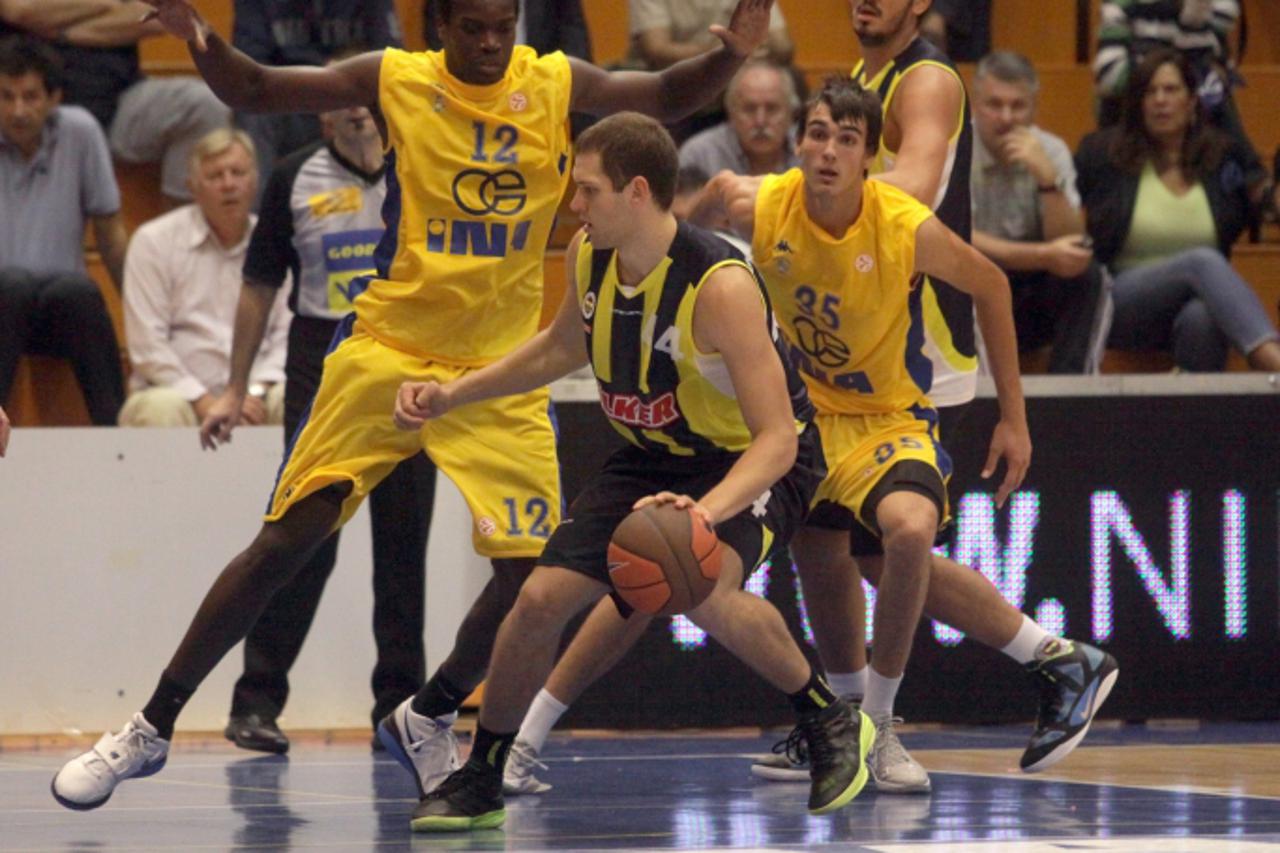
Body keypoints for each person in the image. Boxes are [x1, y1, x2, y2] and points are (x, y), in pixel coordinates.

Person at [50, 0, 786, 826]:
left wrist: (731, 53)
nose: (490, 42)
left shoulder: (550, 80)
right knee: (290, 536)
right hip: (390, 347)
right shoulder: (394, 78)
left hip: (499, 367)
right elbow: (255, 86)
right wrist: (197, 39)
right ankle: (150, 726)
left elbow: (657, 94)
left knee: (533, 584)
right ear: (437, 27)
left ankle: (429, 711)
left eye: (502, 25)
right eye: (472, 27)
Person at [500, 0, 1118, 798]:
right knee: (813, 551)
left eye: (847, 142)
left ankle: (879, 724)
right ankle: (886, 703)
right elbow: (670, 235)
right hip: (808, 405)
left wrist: (1014, 414)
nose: (829, 151)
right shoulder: (826, 119)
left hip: (907, 375)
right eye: (816, 135)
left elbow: (927, 196)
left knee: (889, 538)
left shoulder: (920, 91)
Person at [395, 110, 871, 833]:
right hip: (652, 454)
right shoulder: (590, 254)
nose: (574, 206)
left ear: (638, 191)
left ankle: (830, 719)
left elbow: (776, 437)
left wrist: (705, 513)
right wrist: (452, 392)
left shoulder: (720, 286)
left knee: (702, 587)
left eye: (588, 191)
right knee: (539, 597)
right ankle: (483, 772)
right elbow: (558, 349)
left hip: (753, 453)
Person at [213, 92, 437, 754]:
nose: (360, 114)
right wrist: (233, 386)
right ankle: (255, 702)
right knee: (301, 539)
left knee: (403, 547)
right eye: (344, 104)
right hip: (323, 362)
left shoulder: (420, 166)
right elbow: (258, 286)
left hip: (405, 362)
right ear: (320, 115)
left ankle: (396, 709)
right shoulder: (292, 175)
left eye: (372, 104)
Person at [1076, 48, 1280, 372]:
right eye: (1150, 91)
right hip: (1120, 301)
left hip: (1199, 304)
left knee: (1203, 317)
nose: (1160, 100)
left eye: (1171, 90)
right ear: (1138, 103)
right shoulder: (1103, 154)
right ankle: (1272, 361)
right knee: (1200, 261)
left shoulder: (1220, 156)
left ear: (1191, 101)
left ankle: (1192, 420)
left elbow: (1263, 201)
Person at [119, 128, 290, 428]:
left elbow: (287, 336)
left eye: (238, 172)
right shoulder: (154, 242)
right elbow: (148, 345)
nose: (228, 185)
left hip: (258, 394)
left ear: (255, 181)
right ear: (192, 188)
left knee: (295, 396)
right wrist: (202, 399)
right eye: (215, 176)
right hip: (179, 396)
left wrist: (252, 392)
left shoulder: (277, 239)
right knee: (160, 407)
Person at [0, 34, 126, 426]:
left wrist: (139, 321)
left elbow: (110, 234)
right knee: (11, 285)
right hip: (1, 308)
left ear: (54, 98)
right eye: (5, 96)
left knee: (77, 291)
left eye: (30, 96)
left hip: (61, 311)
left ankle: (117, 434)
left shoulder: (81, 132)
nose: (18, 110)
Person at [0, 1, 230, 204]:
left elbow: (159, 15)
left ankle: (177, 237)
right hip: (24, 102)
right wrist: (110, 5)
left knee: (204, 105)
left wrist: (61, 33)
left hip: (121, 100)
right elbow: (20, 10)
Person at [970, 51, 1107, 374]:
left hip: (1032, 295)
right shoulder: (957, 148)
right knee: (950, 277)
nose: (1006, 117)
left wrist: (1047, 180)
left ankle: (1070, 398)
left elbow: (1071, 242)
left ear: (1034, 109)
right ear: (975, 105)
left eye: (1018, 106)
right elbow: (958, 239)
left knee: (1089, 277)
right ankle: (980, 404)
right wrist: (1043, 254)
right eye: (994, 104)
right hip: (976, 285)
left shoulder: (1052, 150)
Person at [231, 0, 402, 197]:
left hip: (355, 94)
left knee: (403, 96)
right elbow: (249, 71)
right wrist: (319, 87)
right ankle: (255, 211)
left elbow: (390, 61)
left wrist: (342, 81)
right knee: (251, 112)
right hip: (289, 103)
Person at [678, 58, 798, 179]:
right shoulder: (700, 155)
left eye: (772, 109)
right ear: (731, 112)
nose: (760, 121)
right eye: (749, 109)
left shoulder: (809, 150)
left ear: (790, 112)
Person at [627, 0, 793, 70]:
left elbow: (783, 45)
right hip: (676, 76)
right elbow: (656, 50)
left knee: (789, 80)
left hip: (738, 71)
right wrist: (726, 53)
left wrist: (764, 48)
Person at [425, 0, 591, 59]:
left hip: (537, 82)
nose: (491, 42)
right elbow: (436, 26)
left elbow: (573, 29)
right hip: (464, 85)